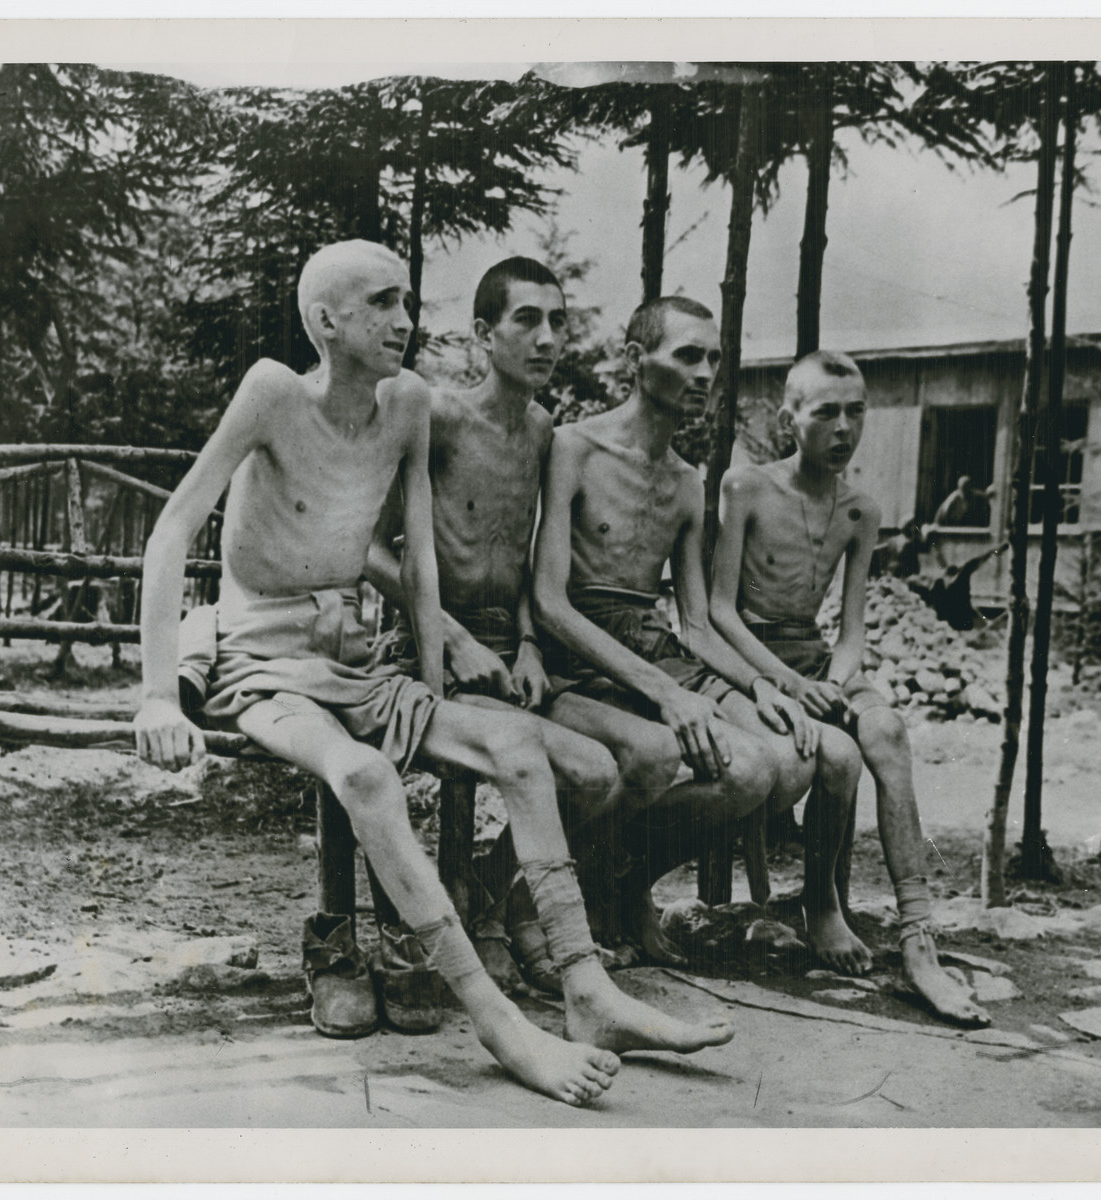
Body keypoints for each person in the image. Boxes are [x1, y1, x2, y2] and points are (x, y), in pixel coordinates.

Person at [134, 241, 733, 1108]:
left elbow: (417, 567)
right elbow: (170, 532)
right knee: (367, 773)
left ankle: (586, 989)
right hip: (259, 666)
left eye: (408, 301)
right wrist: (159, 691)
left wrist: (430, 682)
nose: (404, 322)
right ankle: (498, 1024)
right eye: (381, 304)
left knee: (521, 749)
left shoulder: (408, 403)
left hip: (354, 666)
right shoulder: (272, 391)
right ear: (325, 321)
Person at [365, 256, 677, 987]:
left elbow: (537, 559)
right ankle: (476, 919)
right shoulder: (437, 415)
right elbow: (372, 550)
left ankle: (493, 894)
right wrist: (451, 634)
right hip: (429, 648)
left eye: (557, 320)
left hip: (513, 655)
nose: (546, 338)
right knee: (580, 767)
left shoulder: (543, 432)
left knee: (615, 770)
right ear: (483, 334)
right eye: (525, 320)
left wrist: (533, 644)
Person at [532, 296, 857, 952]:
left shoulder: (685, 481)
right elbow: (549, 603)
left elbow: (699, 623)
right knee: (742, 769)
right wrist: (667, 694)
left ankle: (625, 879)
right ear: (634, 360)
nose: (706, 371)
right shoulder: (574, 447)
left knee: (786, 762)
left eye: (713, 357)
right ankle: (594, 884)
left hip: (655, 648)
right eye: (687, 355)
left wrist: (767, 687)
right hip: (580, 656)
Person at [708, 349, 989, 1026]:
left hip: (815, 660)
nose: (843, 427)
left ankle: (917, 935)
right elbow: (716, 610)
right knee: (836, 753)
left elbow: (851, 627)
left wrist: (835, 680)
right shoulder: (745, 488)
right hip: (749, 662)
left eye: (855, 412)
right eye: (825, 412)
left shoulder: (861, 509)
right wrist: (784, 682)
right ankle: (820, 904)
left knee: (886, 732)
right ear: (789, 418)